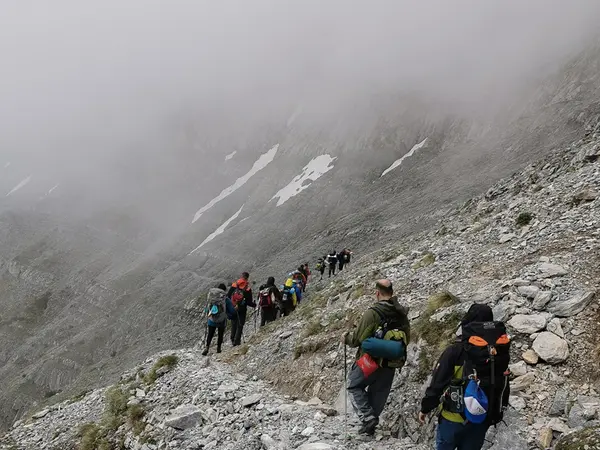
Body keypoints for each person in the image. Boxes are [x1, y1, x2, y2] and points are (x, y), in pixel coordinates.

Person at [418, 304, 511, 450]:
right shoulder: (499, 352)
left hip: (453, 417)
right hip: (482, 417)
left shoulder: (455, 351)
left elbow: (438, 383)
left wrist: (425, 408)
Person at [342, 279, 410, 436]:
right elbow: (407, 338)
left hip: (369, 360)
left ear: (377, 293)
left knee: (353, 385)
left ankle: (367, 418)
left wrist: (345, 338)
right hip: (391, 362)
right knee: (379, 392)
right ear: (392, 293)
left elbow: (357, 340)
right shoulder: (402, 315)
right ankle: (371, 423)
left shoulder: (372, 313)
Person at [227, 272, 256, 346]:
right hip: (242, 308)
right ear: (247, 277)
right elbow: (249, 301)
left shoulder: (235, 284)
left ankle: (232, 338)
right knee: (240, 324)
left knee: (234, 323)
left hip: (233, 307)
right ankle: (237, 341)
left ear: (242, 276)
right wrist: (254, 305)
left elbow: (228, 295)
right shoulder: (247, 288)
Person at [202, 283, 229, 356]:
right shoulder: (225, 298)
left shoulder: (211, 297)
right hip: (221, 320)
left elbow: (207, 307)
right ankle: (219, 348)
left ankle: (207, 347)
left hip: (212, 319)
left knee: (210, 334)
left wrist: (207, 313)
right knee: (220, 334)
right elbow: (231, 309)